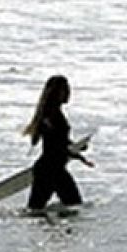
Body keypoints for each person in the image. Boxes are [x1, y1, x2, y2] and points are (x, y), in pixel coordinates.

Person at [21, 75, 93, 212]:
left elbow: (59, 141)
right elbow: (56, 145)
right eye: (65, 90)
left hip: (50, 169)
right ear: (56, 93)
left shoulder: (52, 114)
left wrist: (77, 150)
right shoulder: (51, 116)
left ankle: (49, 232)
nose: (69, 93)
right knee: (73, 207)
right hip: (51, 170)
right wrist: (75, 152)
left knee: (36, 211)